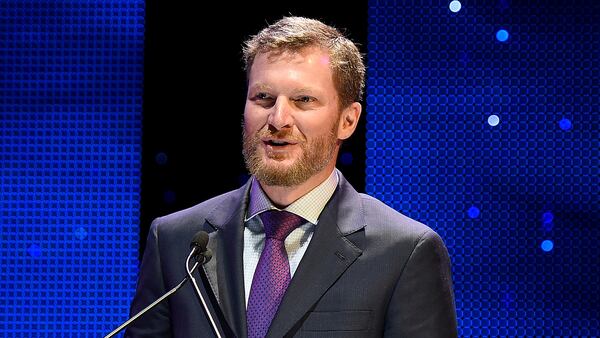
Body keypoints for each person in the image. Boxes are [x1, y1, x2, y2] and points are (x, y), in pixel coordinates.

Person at [125, 16, 457, 338]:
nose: (279, 118)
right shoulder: (175, 240)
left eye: (303, 100)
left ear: (348, 120)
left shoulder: (405, 252)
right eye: (263, 98)